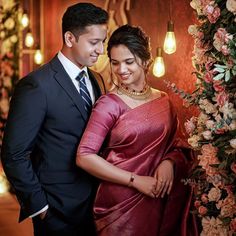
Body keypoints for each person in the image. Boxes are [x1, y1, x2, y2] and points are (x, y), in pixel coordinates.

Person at [76, 24, 198, 236]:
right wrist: (135, 180)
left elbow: (177, 144)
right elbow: (84, 156)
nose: (121, 70)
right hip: (120, 204)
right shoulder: (108, 105)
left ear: (145, 60)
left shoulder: (163, 100)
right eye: (115, 63)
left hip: (159, 196)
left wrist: (169, 162)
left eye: (128, 61)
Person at [1, 3, 108, 236]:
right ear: (70, 38)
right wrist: (40, 206)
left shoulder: (97, 79)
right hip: (57, 212)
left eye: (103, 41)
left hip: (97, 207)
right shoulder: (37, 85)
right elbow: (13, 154)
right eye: (94, 42)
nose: (100, 50)